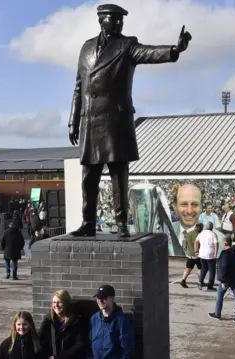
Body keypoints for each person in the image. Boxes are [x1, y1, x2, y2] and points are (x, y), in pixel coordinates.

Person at [68, 4, 192, 237]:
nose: (118, 24)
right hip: (90, 124)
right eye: (113, 20)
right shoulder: (86, 48)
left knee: (119, 177)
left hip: (115, 122)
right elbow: (79, 87)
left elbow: (149, 53)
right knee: (89, 178)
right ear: (101, 21)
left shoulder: (127, 46)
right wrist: (73, 120)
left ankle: (122, 223)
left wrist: (174, 49)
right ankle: (87, 222)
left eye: (120, 21)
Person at [38, 289, 87, 359]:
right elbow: (39, 337)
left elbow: (80, 344)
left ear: (66, 303)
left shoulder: (76, 320)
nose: (56, 305)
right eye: (54, 302)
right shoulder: (48, 319)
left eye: (59, 302)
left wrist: (60, 357)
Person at [89, 284, 134, 359]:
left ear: (112, 298)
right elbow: (90, 344)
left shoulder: (121, 321)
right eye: (98, 297)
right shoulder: (94, 319)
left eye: (104, 298)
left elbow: (127, 349)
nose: (100, 300)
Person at [209, 238, 235, 324]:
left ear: (225, 243)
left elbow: (223, 267)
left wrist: (223, 281)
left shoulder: (225, 254)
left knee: (219, 295)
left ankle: (217, 314)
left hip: (227, 279)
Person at [195, 221, 219, 291]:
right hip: (210, 255)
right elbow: (216, 244)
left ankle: (200, 281)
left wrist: (196, 250)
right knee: (212, 270)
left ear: (206, 227)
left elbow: (196, 242)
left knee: (204, 268)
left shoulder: (201, 233)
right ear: (212, 227)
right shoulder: (213, 234)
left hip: (202, 254)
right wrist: (215, 254)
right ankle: (210, 286)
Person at [180, 223, 203, 288]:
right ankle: (200, 282)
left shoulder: (189, 233)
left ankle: (183, 280)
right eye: (201, 228)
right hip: (197, 254)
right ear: (199, 228)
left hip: (189, 254)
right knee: (201, 268)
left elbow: (184, 243)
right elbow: (198, 244)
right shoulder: (198, 235)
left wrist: (186, 250)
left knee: (188, 268)